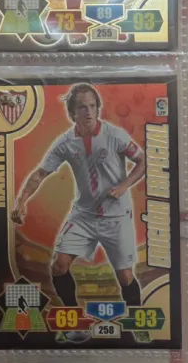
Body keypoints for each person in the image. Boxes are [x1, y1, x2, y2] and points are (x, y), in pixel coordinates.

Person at [11, 83, 146, 343]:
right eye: (82, 107)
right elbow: (40, 173)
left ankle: (137, 322)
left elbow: (142, 161)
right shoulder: (65, 142)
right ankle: (75, 321)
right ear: (72, 113)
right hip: (83, 216)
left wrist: (123, 185)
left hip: (116, 216)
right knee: (59, 266)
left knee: (125, 277)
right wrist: (21, 201)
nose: (89, 111)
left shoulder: (115, 135)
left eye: (93, 106)